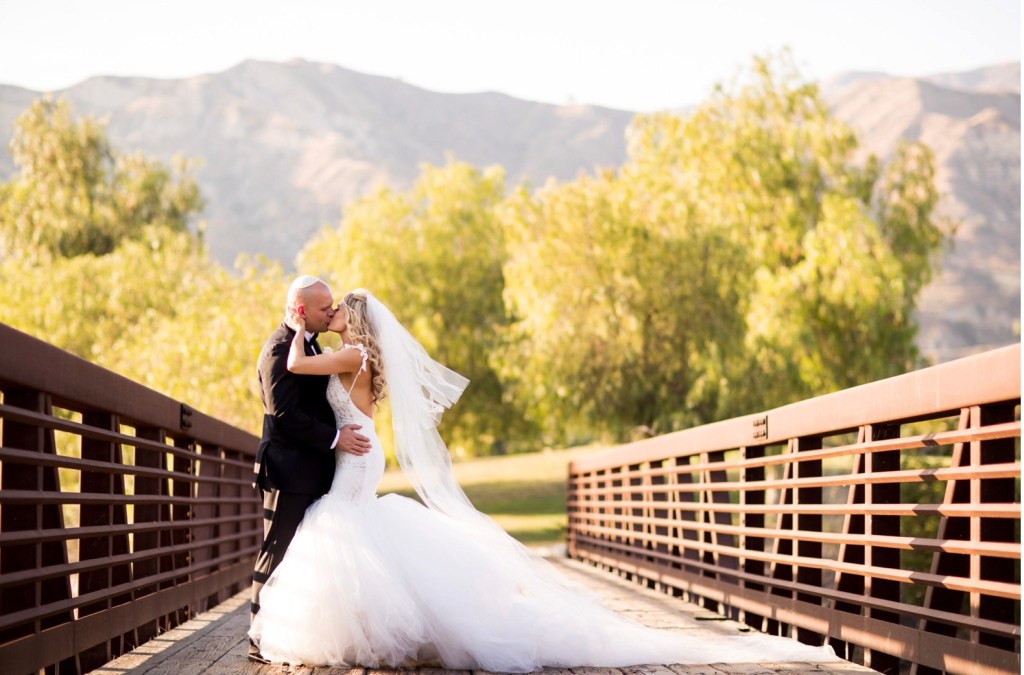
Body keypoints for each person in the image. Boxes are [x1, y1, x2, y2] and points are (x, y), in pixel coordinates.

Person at [248, 289, 838, 670]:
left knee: (345, 526)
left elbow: (298, 365)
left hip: (356, 454)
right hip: (358, 450)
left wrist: (297, 323)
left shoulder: (352, 356)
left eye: (339, 312)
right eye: (329, 311)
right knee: (355, 529)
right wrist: (307, 326)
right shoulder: (357, 354)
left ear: (356, 320)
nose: (333, 317)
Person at [248, 276, 372, 663]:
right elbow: (283, 415)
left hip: (313, 467)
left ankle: (302, 632)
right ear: (301, 310)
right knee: (278, 549)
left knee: (307, 553)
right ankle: (258, 639)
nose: (331, 312)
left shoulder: (311, 342)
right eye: (325, 308)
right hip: (288, 470)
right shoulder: (278, 349)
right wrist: (335, 439)